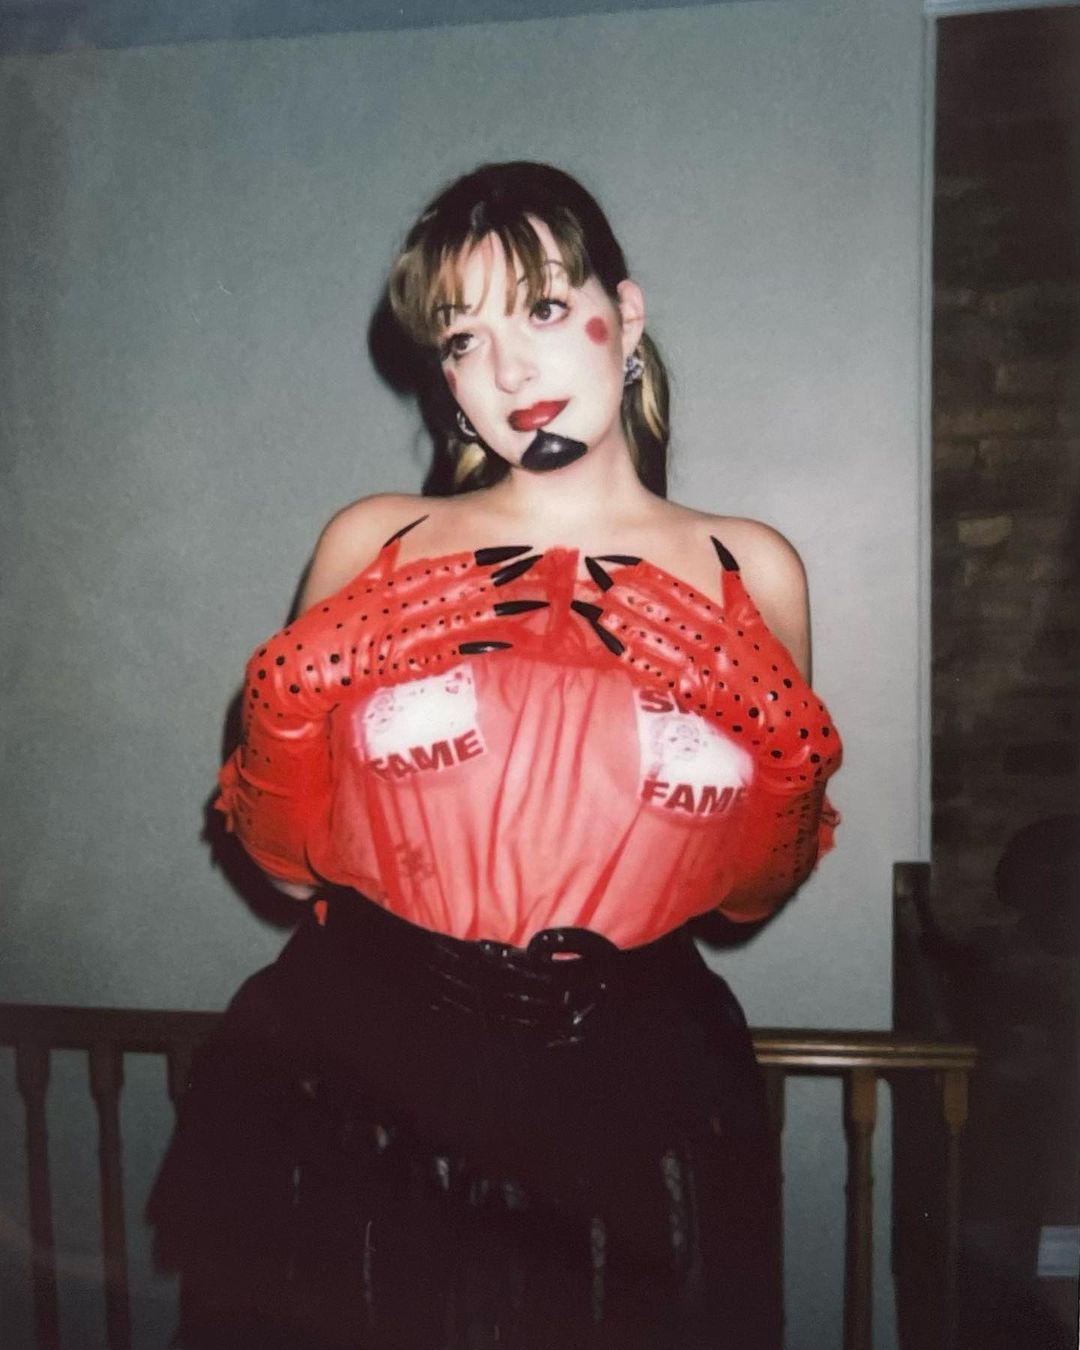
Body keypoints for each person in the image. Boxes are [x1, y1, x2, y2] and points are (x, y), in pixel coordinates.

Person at [150, 162, 842, 1350]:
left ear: (626, 315)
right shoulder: (378, 542)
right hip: (364, 1079)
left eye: (542, 308)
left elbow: (744, 903)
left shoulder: (751, 570)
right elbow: (288, 877)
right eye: (463, 339)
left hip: (634, 1094)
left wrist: (791, 774)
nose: (510, 370)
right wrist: (281, 715)